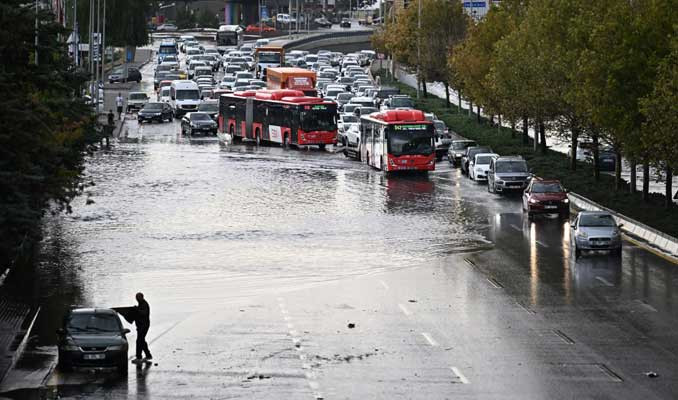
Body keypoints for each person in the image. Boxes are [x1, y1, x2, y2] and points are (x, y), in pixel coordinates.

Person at [132, 292, 152, 364]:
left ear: (142, 297)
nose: (137, 299)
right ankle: (148, 355)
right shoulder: (140, 304)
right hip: (140, 325)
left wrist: (137, 309)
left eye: (138, 298)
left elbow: (144, 313)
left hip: (144, 325)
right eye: (136, 298)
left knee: (139, 341)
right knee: (141, 340)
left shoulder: (145, 304)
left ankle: (139, 357)